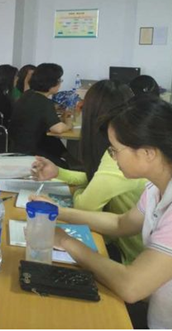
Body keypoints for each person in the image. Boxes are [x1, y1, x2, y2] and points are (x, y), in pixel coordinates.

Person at [32, 97, 172, 329]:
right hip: (159, 315)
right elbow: (121, 223)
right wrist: (60, 212)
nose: (112, 157)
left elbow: (131, 286)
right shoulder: (159, 186)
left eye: (115, 150)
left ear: (148, 153)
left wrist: (66, 242)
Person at [31, 80, 146, 264]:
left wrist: (79, 191)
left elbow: (84, 207)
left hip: (130, 258)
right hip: (121, 245)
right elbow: (97, 179)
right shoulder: (128, 148)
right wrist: (58, 173)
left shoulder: (121, 155)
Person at [8, 63, 72, 167]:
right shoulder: (44, 102)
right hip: (31, 153)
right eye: (59, 80)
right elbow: (58, 129)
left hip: (16, 148)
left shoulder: (27, 94)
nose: (60, 83)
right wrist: (69, 123)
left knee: (56, 145)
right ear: (51, 82)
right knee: (64, 164)